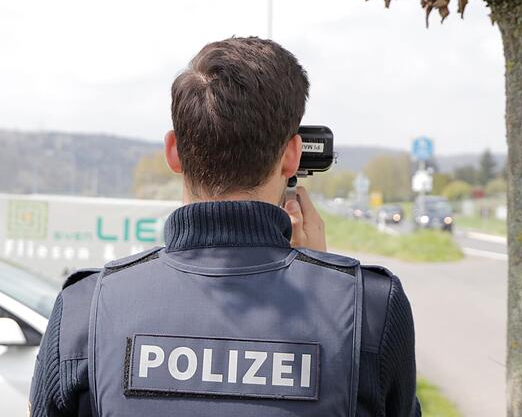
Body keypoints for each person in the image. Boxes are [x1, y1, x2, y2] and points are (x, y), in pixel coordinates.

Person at [29, 37, 420, 417]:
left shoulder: (86, 309)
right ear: (291, 158)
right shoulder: (370, 310)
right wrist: (323, 273)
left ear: (174, 152)